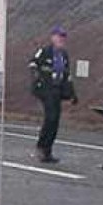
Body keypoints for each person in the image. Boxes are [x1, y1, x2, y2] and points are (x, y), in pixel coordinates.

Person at [29, 25, 78, 163]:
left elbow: (67, 76)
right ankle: (41, 147)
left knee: (55, 120)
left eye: (63, 37)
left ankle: (47, 150)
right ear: (53, 37)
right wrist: (37, 80)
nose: (61, 40)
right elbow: (33, 64)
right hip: (46, 89)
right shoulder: (45, 51)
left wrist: (72, 94)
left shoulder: (64, 55)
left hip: (57, 90)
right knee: (50, 118)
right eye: (59, 36)